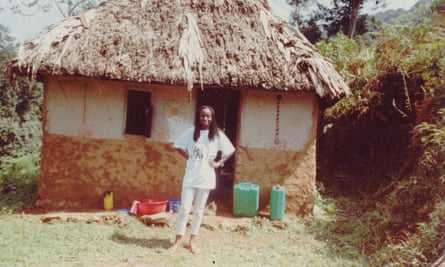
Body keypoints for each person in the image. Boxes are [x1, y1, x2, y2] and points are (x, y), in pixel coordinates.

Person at [168, 105, 235, 254]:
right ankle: (177, 241)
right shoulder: (191, 132)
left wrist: (218, 163)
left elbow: (230, 150)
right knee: (185, 208)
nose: (205, 118)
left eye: (208, 116)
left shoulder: (217, 134)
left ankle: (192, 241)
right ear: (198, 117)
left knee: (198, 210)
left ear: (212, 118)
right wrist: (188, 156)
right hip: (191, 175)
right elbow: (177, 146)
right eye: (203, 116)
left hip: (206, 176)